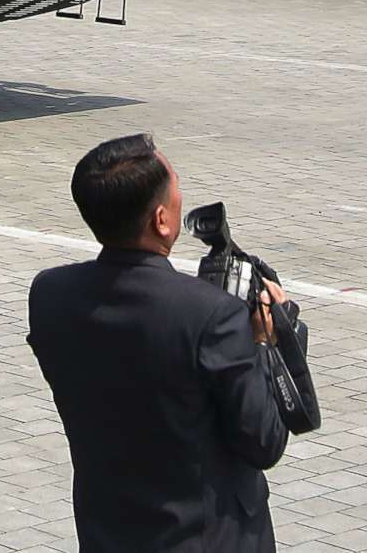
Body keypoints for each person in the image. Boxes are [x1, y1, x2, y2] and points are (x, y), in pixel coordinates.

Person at [27, 134, 289, 553]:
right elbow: (264, 441)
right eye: (178, 189)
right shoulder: (211, 315)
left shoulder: (50, 293)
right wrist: (263, 342)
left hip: (108, 534)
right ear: (161, 220)